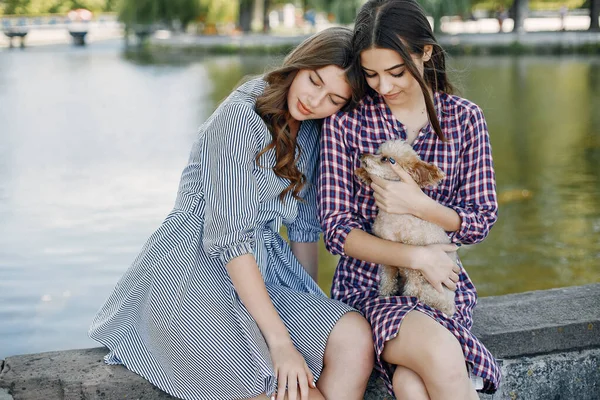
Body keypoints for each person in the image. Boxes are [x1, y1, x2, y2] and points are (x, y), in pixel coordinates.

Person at [89, 27, 374, 400]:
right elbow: (230, 241)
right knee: (281, 386)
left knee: (352, 335)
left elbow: (304, 228)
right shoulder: (240, 118)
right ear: (299, 65)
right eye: (314, 80)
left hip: (268, 270)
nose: (315, 100)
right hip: (198, 271)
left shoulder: (312, 129)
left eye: (333, 98)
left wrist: (311, 306)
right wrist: (282, 343)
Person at [318, 1, 501, 399]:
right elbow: (336, 232)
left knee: (411, 384)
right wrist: (416, 257)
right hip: (368, 289)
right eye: (371, 75)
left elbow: (482, 218)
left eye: (396, 72)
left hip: (439, 286)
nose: (383, 86)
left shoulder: (465, 119)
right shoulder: (345, 123)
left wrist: (420, 206)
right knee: (438, 353)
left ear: (426, 52)